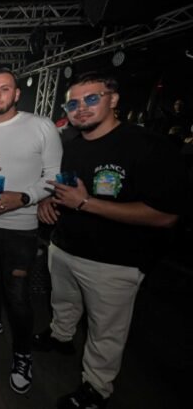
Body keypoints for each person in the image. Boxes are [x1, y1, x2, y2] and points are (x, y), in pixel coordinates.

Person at [35, 72, 186, 409]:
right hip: (64, 246)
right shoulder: (71, 147)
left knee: (105, 331)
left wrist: (86, 203)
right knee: (63, 302)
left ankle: (96, 388)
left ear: (113, 99)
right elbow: (65, 191)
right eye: (73, 103)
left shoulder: (148, 146)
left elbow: (165, 215)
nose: (81, 108)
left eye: (92, 98)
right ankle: (60, 336)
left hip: (115, 261)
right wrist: (49, 201)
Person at [0, 67, 62, 394]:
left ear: (16, 93)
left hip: (20, 230)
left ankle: (22, 355)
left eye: (3, 89)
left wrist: (23, 197)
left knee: (17, 295)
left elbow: (54, 177)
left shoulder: (40, 126)